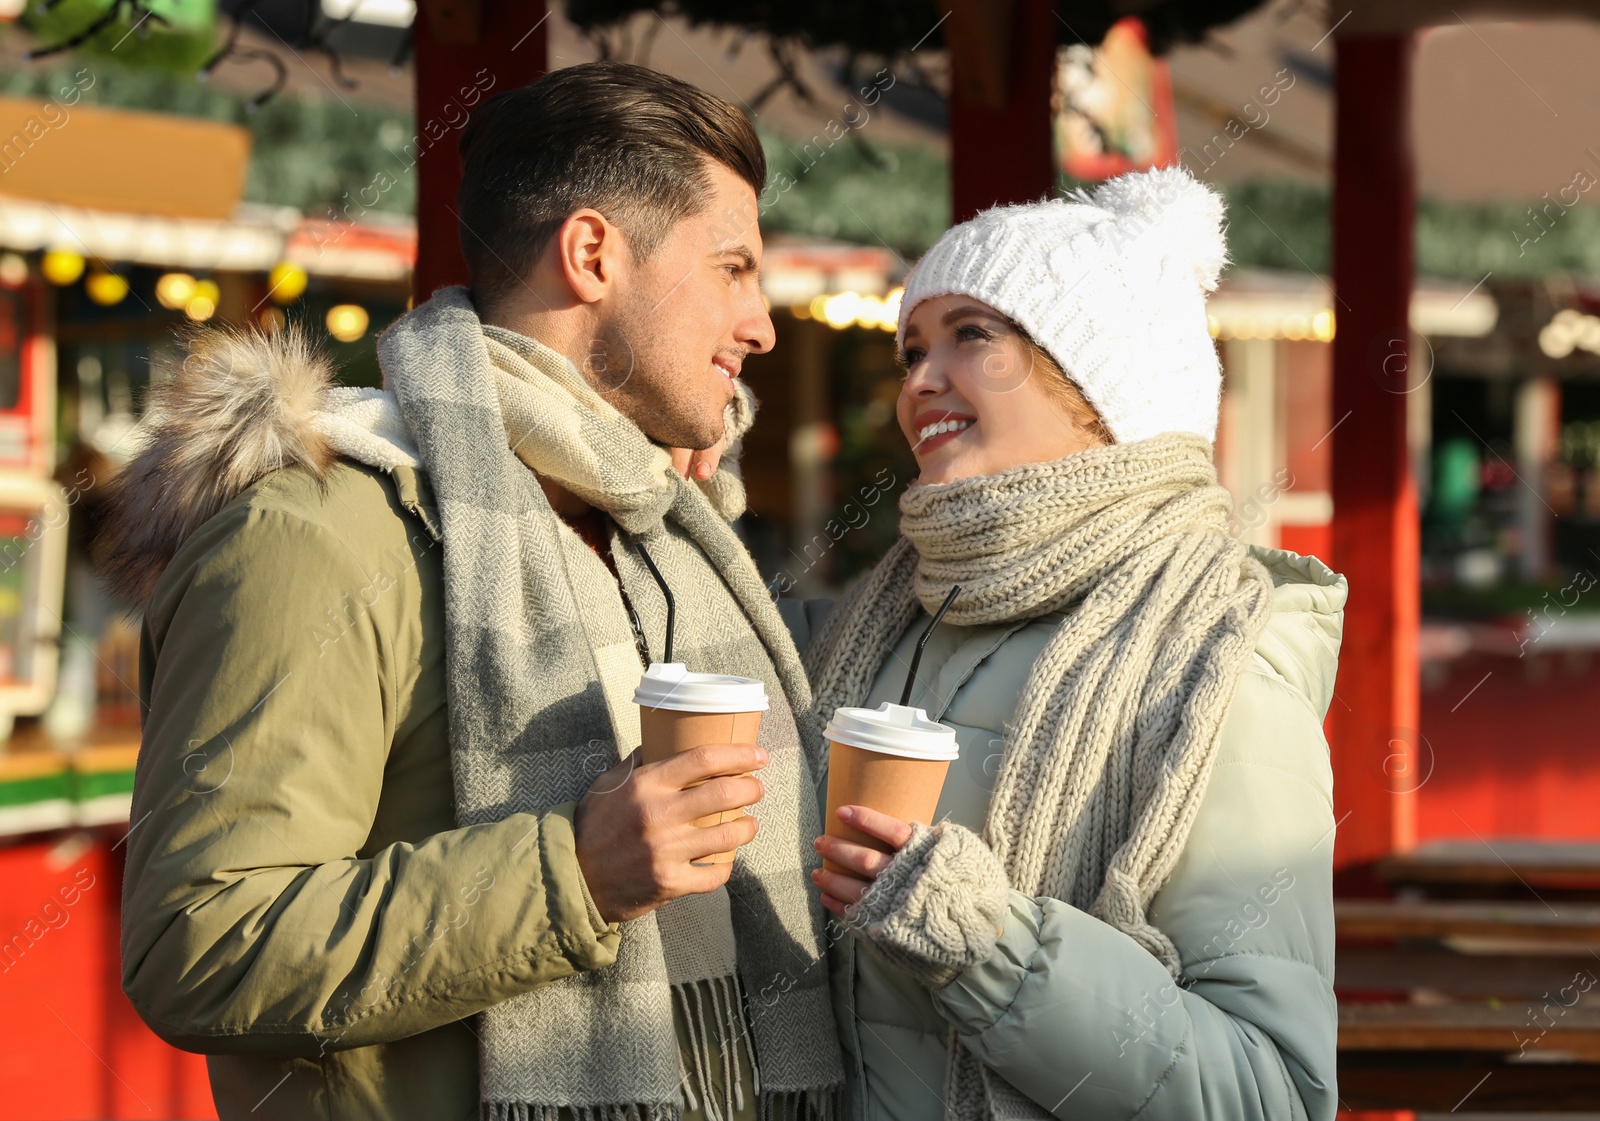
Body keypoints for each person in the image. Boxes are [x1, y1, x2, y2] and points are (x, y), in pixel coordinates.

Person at [104, 62, 842, 1121]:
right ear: (592, 254)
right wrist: (573, 874)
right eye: (732, 268)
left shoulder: (661, 535)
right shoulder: (316, 536)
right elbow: (200, 943)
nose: (761, 324)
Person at [794, 167, 1344, 1120]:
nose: (921, 379)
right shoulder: (881, 623)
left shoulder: (1215, 670)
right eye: (912, 347)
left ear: (1101, 383)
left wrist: (987, 943)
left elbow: (1271, 1093)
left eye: (973, 336)